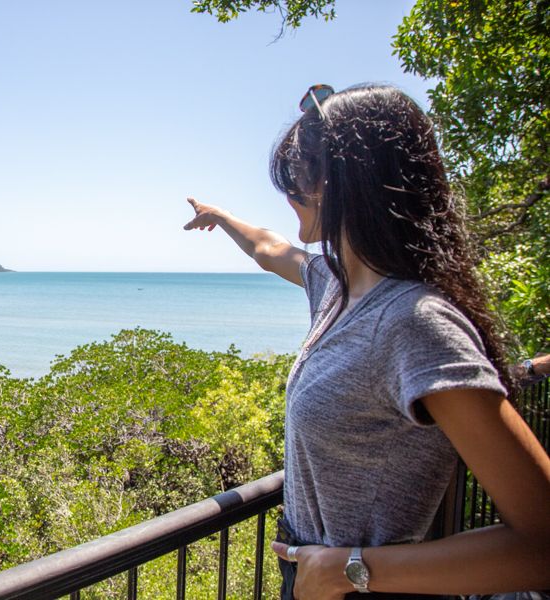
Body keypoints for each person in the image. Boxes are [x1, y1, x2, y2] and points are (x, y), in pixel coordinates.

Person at [183, 84, 550, 599]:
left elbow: (544, 544)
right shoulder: (338, 288)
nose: (288, 196)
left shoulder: (412, 322)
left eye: (296, 180)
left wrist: (347, 569)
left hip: (361, 585)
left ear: (338, 185)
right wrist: (220, 217)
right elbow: (270, 248)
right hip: (314, 575)